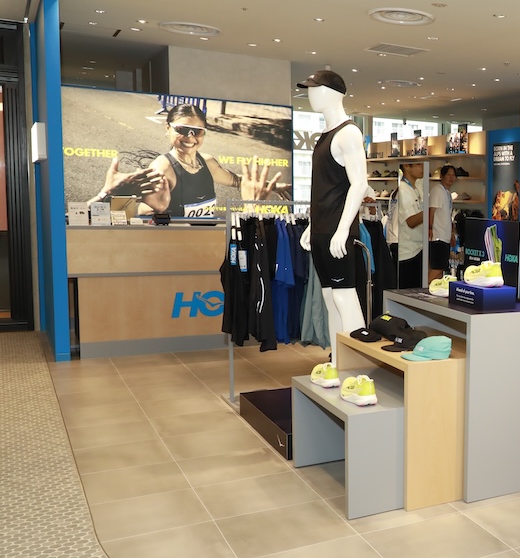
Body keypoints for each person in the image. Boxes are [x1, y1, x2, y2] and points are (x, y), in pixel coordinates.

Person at [296, 69, 370, 360]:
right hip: (321, 231)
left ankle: (357, 365)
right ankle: (339, 361)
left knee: (344, 295)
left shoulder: (348, 133)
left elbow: (359, 184)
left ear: (334, 93)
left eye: (317, 89)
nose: (311, 94)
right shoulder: (325, 136)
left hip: (337, 234)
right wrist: (312, 225)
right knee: (329, 297)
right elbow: (324, 188)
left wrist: (342, 229)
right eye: (310, 89)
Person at [126, 104, 288, 217]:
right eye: (182, 129)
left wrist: (272, 186)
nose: (190, 137)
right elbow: (145, 215)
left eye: (197, 132)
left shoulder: (207, 162)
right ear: (168, 128)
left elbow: (239, 181)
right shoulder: (163, 169)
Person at [388, 161, 425, 289]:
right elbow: (411, 221)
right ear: (407, 166)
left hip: (413, 247)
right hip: (405, 249)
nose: (422, 167)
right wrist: (430, 212)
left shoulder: (414, 188)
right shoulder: (403, 190)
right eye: (418, 164)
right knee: (407, 290)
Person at [427, 164, 456, 281]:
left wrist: (452, 234)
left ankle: (432, 289)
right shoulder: (438, 190)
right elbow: (431, 211)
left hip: (444, 236)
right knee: (438, 268)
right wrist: (430, 228)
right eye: (448, 175)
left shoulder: (447, 193)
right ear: (442, 176)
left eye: (453, 175)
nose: (451, 177)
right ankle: (423, 288)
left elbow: (448, 215)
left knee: (440, 268)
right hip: (437, 236)